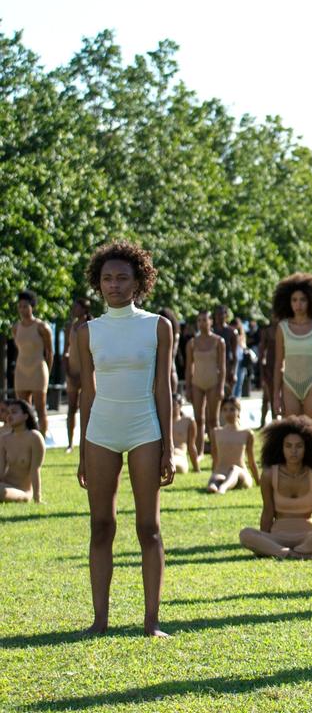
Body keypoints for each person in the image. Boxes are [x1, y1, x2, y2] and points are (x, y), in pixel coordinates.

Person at [76, 241, 174, 637]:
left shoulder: (157, 326)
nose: (113, 285)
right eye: (107, 279)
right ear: (98, 284)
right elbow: (87, 391)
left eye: (121, 278)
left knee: (148, 528)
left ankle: (151, 622)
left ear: (139, 281)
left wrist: (168, 444)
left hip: (144, 429)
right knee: (101, 526)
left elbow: (163, 387)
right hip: (101, 431)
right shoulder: (87, 332)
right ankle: (100, 621)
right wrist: (83, 449)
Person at [239, 416, 312, 559]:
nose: (293, 451)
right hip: (277, 537)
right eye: (288, 446)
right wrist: (264, 539)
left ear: (307, 448)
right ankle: (294, 553)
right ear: (281, 448)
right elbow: (267, 511)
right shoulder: (269, 475)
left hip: (307, 538)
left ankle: (292, 552)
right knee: (245, 534)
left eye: (299, 446)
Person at [273, 274, 312, 422]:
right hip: (289, 385)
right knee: (292, 431)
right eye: (294, 300)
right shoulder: (282, 327)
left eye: (303, 300)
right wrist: (276, 396)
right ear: (288, 302)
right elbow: (279, 363)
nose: (298, 304)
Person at [12, 290, 53, 440]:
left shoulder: (42, 327)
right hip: (21, 370)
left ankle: (42, 440)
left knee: (41, 408)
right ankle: (26, 439)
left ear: (32, 307)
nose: (22, 309)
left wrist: (47, 370)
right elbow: (20, 349)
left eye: (25, 306)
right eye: (20, 306)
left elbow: (49, 351)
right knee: (23, 409)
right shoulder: (16, 327)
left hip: (38, 369)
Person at [185, 310, 226, 457]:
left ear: (211, 322)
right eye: (199, 320)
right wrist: (188, 387)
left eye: (204, 320)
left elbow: (222, 367)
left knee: (213, 420)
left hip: (213, 383)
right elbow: (189, 367)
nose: (202, 323)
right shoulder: (192, 343)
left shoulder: (219, 341)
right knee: (198, 419)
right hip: (197, 383)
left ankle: (217, 451)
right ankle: (199, 451)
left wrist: (221, 387)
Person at [207, 397, 256, 493]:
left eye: (232, 409)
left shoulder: (247, 433)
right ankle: (214, 486)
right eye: (225, 410)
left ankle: (223, 488)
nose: (228, 413)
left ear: (238, 411)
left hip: (241, 473)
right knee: (215, 480)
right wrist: (213, 474)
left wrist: (258, 480)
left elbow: (251, 460)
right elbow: (214, 456)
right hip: (221, 472)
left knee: (234, 469)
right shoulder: (216, 432)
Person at [0, 399, 45, 502]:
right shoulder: (4, 439)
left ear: (26, 416)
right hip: (5, 485)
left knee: (2, 492)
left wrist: (37, 498)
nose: (9, 416)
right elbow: (1, 470)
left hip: (22, 491)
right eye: (8, 413)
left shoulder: (34, 437)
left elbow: (35, 470)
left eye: (14, 412)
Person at [63, 298, 93, 452]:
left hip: (88, 373)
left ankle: (87, 441)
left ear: (84, 309)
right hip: (73, 372)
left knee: (87, 408)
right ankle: (70, 443)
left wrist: (88, 373)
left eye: (76, 306)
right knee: (71, 408)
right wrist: (67, 372)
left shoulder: (91, 327)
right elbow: (65, 351)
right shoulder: (70, 327)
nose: (73, 309)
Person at [212, 306, 238, 398]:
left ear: (226, 315)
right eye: (217, 314)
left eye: (221, 314)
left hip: (227, 365)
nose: (219, 316)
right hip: (213, 366)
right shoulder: (212, 331)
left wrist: (234, 372)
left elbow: (235, 354)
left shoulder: (232, 332)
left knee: (226, 396)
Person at [170, 394, 199, 473]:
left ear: (180, 405)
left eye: (173, 404)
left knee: (174, 465)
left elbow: (191, 445)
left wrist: (196, 468)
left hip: (179, 456)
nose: (170, 407)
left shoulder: (188, 421)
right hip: (165, 456)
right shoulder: (161, 422)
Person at [259, 318, 278, 428]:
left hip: (280, 368)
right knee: (268, 397)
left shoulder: (285, 329)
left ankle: (274, 421)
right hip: (269, 368)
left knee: (271, 397)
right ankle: (267, 421)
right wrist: (262, 372)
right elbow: (262, 352)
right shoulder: (267, 331)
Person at [230, 316, 249, 397]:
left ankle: (237, 398)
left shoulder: (241, 335)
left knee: (239, 381)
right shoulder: (231, 334)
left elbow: (243, 345)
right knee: (233, 381)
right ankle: (232, 397)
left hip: (241, 359)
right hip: (233, 359)